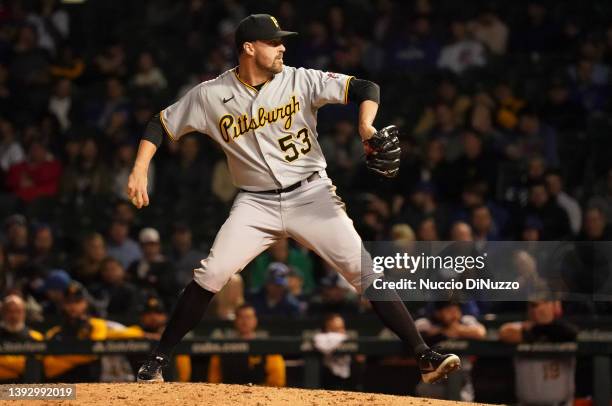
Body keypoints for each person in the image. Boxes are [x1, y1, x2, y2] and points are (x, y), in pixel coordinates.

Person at [128, 14, 459, 383]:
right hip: (255, 203)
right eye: (273, 42)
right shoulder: (210, 95)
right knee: (212, 273)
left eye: (282, 41)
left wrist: (365, 125)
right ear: (249, 49)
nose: (282, 46)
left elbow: (366, 87)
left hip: (312, 194)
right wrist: (141, 168)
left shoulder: (301, 78)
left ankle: (424, 356)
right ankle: (157, 360)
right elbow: (159, 123)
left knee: (365, 272)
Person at [499, 295, 578, 406]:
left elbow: (570, 333)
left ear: (555, 306)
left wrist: (541, 330)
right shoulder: (522, 327)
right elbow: (505, 332)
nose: (538, 309)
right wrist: (535, 331)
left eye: (545, 303)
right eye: (533, 305)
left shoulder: (564, 329)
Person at [208, 304, 285, 387]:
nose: (245, 321)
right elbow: (213, 380)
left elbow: (277, 381)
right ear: (235, 320)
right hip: (229, 394)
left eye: (248, 317)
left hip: (260, 395)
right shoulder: (223, 347)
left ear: (255, 320)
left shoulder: (266, 346)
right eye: (241, 317)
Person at [0, 295, 43, 383]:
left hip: (26, 390)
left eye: (18, 311)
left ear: (24, 313)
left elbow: (38, 368)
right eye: (9, 311)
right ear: (2, 313)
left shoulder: (36, 337)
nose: (14, 316)